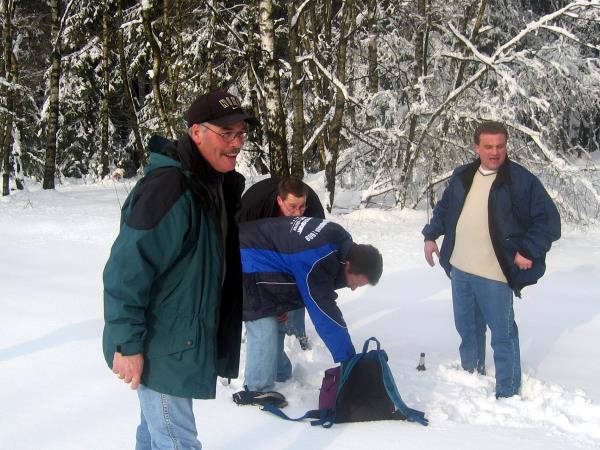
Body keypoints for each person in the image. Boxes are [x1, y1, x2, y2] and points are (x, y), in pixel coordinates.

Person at [103, 90, 258, 449]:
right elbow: (127, 268)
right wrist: (126, 343)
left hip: (179, 342)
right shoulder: (172, 187)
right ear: (196, 133)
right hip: (163, 344)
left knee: (155, 434)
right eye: (226, 133)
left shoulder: (211, 183)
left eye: (241, 133)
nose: (237, 143)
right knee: (176, 440)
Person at [422, 121, 561, 399]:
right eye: (488, 146)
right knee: (468, 329)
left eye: (500, 146)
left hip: (495, 273)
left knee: (503, 334)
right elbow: (445, 208)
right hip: (460, 267)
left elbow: (548, 221)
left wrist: (528, 250)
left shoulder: (520, 181)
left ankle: (507, 391)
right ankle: (470, 377)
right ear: (477, 147)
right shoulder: (463, 175)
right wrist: (430, 235)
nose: (495, 152)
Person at [234, 216, 383, 404]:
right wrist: (349, 361)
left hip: (264, 256)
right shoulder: (318, 258)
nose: (352, 288)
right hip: (243, 257)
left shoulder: (339, 240)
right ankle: (256, 390)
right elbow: (324, 314)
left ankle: (281, 374)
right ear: (348, 265)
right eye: (354, 282)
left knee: (277, 318)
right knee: (263, 322)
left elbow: (294, 261)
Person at [237, 176, 326, 351]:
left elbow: (308, 260)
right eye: (292, 207)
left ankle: (296, 333)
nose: (298, 213)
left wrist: (286, 302)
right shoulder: (254, 207)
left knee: (298, 279)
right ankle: (256, 326)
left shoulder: (313, 210)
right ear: (279, 200)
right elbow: (242, 252)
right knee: (258, 296)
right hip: (257, 249)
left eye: (302, 206)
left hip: (293, 250)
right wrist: (273, 301)